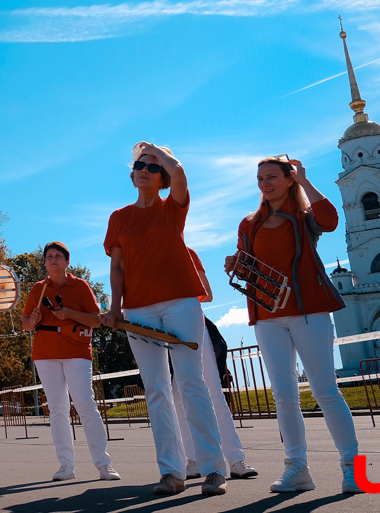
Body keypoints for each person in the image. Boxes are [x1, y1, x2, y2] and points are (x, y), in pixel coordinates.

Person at [224, 156, 361, 495]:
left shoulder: (304, 218)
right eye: (260, 178)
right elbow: (247, 266)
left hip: (309, 311)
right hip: (267, 317)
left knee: (326, 392)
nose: (264, 183)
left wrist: (305, 181)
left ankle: (352, 469)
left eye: (272, 177)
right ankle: (297, 468)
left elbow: (329, 220)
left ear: (289, 179)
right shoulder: (249, 223)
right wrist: (235, 264)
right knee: (284, 397)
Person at [99, 143, 227, 496]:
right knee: (156, 390)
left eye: (152, 167)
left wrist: (156, 149)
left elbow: (182, 173)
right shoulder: (119, 218)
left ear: (163, 177)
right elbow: (118, 266)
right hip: (138, 310)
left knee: (191, 383)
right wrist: (114, 307)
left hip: (181, 304)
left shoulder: (173, 208)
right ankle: (172, 473)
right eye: (139, 165)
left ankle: (214, 469)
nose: (143, 169)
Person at [22, 242, 120, 483]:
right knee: (57, 409)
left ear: (67, 261)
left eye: (58, 256)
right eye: (49, 256)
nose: (53, 259)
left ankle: (104, 464)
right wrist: (32, 320)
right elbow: (25, 323)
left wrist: (69, 314)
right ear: (44, 262)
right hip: (46, 352)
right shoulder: (38, 288)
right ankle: (66, 465)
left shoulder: (81, 286)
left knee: (86, 403)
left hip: (76, 350)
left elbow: (96, 320)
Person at [168, 250, 256, 482]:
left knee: (213, 393)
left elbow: (207, 294)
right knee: (178, 397)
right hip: (162, 332)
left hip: (193, 325)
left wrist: (174, 299)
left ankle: (236, 460)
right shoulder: (144, 253)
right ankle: (193, 460)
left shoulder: (186, 253)